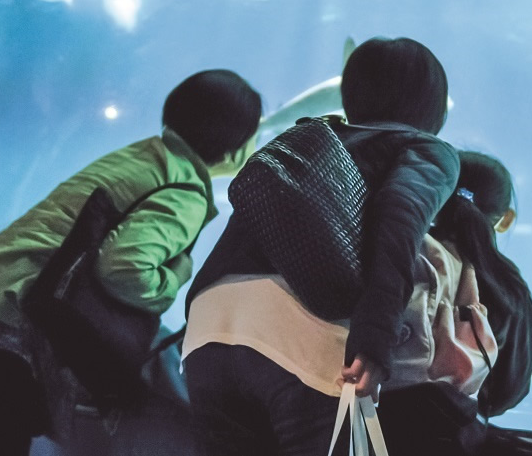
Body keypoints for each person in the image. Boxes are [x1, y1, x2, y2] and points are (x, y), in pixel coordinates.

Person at [182, 37, 461, 456]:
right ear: (432, 104)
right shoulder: (426, 149)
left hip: (207, 329)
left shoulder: (312, 137)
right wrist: (374, 339)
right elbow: (398, 219)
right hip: (296, 337)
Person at [0, 69, 262, 456]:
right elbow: (125, 268)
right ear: (237, 148)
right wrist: (178, 274)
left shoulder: (143, 156)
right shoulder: (185, 190)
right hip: (3, 328)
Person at [377, 151, 532, 456]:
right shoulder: (510, 289)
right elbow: (509, 391)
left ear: (435, 197)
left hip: (371, 423)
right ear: (505, 220)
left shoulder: (398, 250)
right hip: (451, 440)